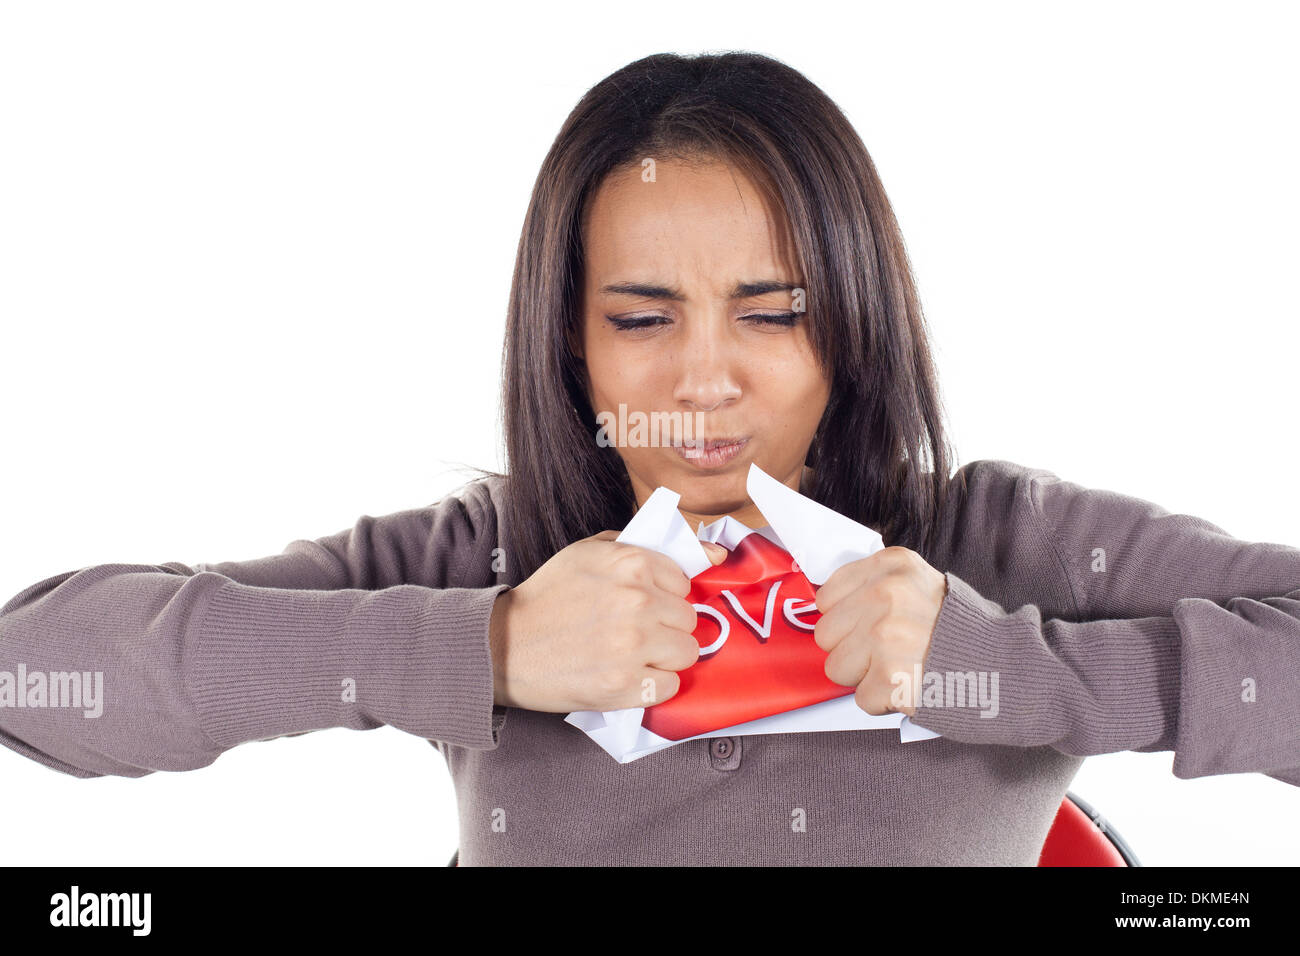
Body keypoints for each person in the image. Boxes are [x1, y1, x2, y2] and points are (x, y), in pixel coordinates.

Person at [3, 51, 1298, 866]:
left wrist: (1016, 671)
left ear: (856, 321)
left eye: (772, 309)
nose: (703, 376)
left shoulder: (1000, 538)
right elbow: (33, 674)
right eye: (640, 316)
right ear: (568, 344)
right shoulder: (489, 554)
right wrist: (481, 646)